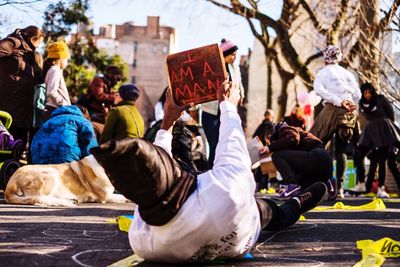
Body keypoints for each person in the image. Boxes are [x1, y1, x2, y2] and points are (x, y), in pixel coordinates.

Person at [91, 82, 329, 263]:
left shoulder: (142, 240)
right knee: (272, 212)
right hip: (241, 220)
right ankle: (296, 203)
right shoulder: (224, 190)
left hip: (219, 235)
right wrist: (227, 104)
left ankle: (294, 205)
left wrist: (166, 126)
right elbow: (232, 143)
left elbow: (151, 177)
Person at [310, 45, 361, 198]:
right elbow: (357, 94)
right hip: (349, 112)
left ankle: (319, 184)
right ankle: (339, 187)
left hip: (332, 110)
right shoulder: (348, 74)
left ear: (326, 58)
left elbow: (318, 90)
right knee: (341, 150)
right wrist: (351, 104)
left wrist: (337, 100)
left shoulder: (323, 72)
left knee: (316, 143)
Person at [260, 122, 337, 200]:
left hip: (317, 156)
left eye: (268, 141)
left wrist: (270, 148)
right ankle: (328, 185)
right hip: (323, 164)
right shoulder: (292, 140)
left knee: (276, 155)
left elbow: (293, 138)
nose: (269, 144)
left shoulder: (284, 129)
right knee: (301, 187)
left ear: (269, 136)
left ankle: (292, 186)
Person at [201, 38, 244, 168]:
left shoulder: (234, 68)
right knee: (214, 143)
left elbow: (238, 82)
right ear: (225, 55)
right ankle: (211, 171)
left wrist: (241, 94)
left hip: (227, 112)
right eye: (233, 54)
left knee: (224, 144)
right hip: (211, 112)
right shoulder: (213, 67)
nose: (235, 57)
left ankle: (220, 171)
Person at [0, 26, 45, 148]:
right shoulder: (13, 43)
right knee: (7, 146)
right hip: (10, 106)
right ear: (33, 38)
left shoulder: (30, 53)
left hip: (24, 110)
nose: (39, 46)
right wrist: (11, 51)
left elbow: (38, 77)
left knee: (19, 146)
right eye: (39, 42)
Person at [352, 83, 400, 197]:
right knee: (358, 154)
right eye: (365, 93)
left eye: (369, 92)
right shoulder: (362, 104)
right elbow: (362, 119)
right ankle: (362, 183)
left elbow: (390, 115)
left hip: (383, 129)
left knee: (381, 160)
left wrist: (390, 132)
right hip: (369, 130)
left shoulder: (381, 99)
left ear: (372, 92)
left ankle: (380, 188)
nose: (367, 95)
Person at [30, 105, 98, 164]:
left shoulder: (48, 122)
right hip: (65, 162)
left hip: (38, 160)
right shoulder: (83, 121)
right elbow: (90, 149)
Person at [42, 41, 71, 121]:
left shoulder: (53, 70)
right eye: (66, 59)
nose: (67, 63)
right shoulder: (55, 70)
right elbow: (51, 92)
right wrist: (65, 104)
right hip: (54, 110)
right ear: (60, 58)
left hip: (53, 110)